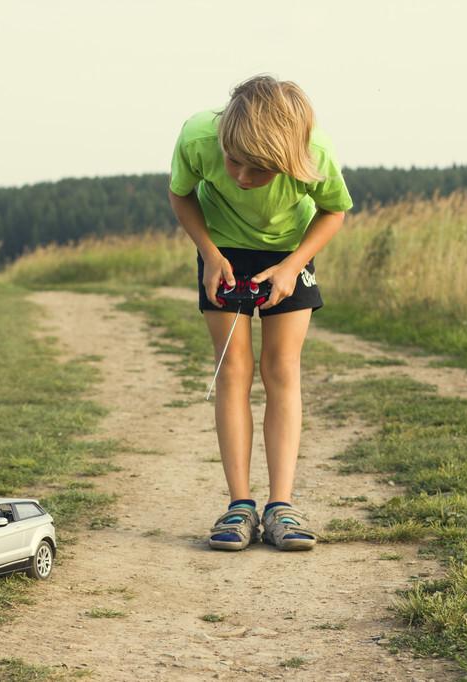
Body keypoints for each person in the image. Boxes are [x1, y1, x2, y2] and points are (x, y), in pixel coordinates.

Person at [167, 74, 353, 551]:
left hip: (289, 253)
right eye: (234, 162)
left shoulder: (316, 153)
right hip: (222, 249)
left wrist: (293, 266)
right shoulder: (197, 137)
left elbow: (334, 211)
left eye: (261, 171)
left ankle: (281, 507)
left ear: (290, 159)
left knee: (281, 369)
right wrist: (207, 252)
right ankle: (240, 506)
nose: (243, 179)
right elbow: (181, 194)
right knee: (233, 369)